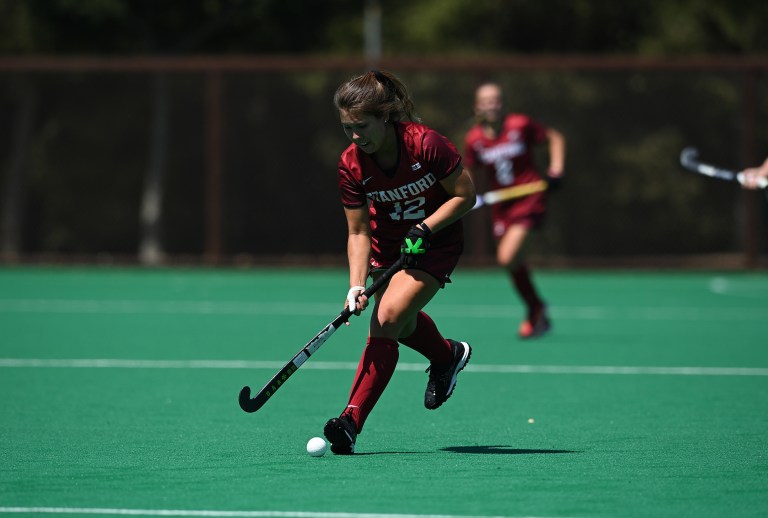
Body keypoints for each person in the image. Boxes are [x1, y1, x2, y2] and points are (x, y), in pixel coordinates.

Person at [323, 70, 477, 455]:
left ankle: (350, 422)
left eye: (362, 126)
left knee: (389, 317)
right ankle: (448, 355)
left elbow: (465, 195)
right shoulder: (350, 164)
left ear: (386, 118)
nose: (356, 136)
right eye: (348, 128)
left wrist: (426, 227)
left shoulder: (426, 144)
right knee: (399, 320)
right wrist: (356, 285)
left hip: (436, 242)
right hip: (387, 247)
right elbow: (358, 231)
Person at [463, 82, 566, 339]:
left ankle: (535, 308)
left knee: (507, 257)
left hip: (530, 198)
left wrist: (555, 170)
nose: (491, 106)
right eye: (485, 101)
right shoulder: (474, 139)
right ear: (477, 107)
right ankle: (537, 309)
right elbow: (468, 171)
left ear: (504, 103)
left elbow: (555, 138)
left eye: (496, 100)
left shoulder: (520, 125)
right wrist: (469, 196)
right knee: (513, 263)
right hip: (501, 205)